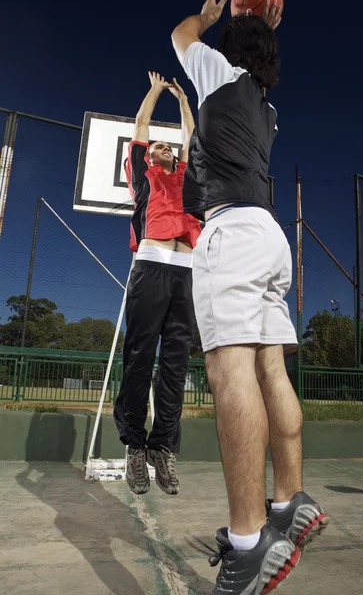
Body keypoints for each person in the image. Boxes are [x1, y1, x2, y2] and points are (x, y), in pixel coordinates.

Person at [171, 0, 329, 593]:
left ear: (228, 55)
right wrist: (261, 22)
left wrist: (211, 17)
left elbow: (179, 33)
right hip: (269, 238)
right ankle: (289, 502)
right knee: (271, 372)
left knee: (228, 373)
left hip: (232, 233)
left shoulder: (218, 73)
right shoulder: (269, 113)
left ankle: (247, 542)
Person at [113, 71, 201, 496]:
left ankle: (162, 445)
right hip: (150, 264)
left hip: (187, 270)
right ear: (149, 157)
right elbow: (142, 127)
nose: (164, 147)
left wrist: (184, 100)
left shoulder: (187, 176)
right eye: (159, 146)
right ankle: (133, 443)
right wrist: (154, 90)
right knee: (140, 355)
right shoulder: (143, 175)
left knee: (177, 363)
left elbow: (194, 134)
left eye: (171, 146)